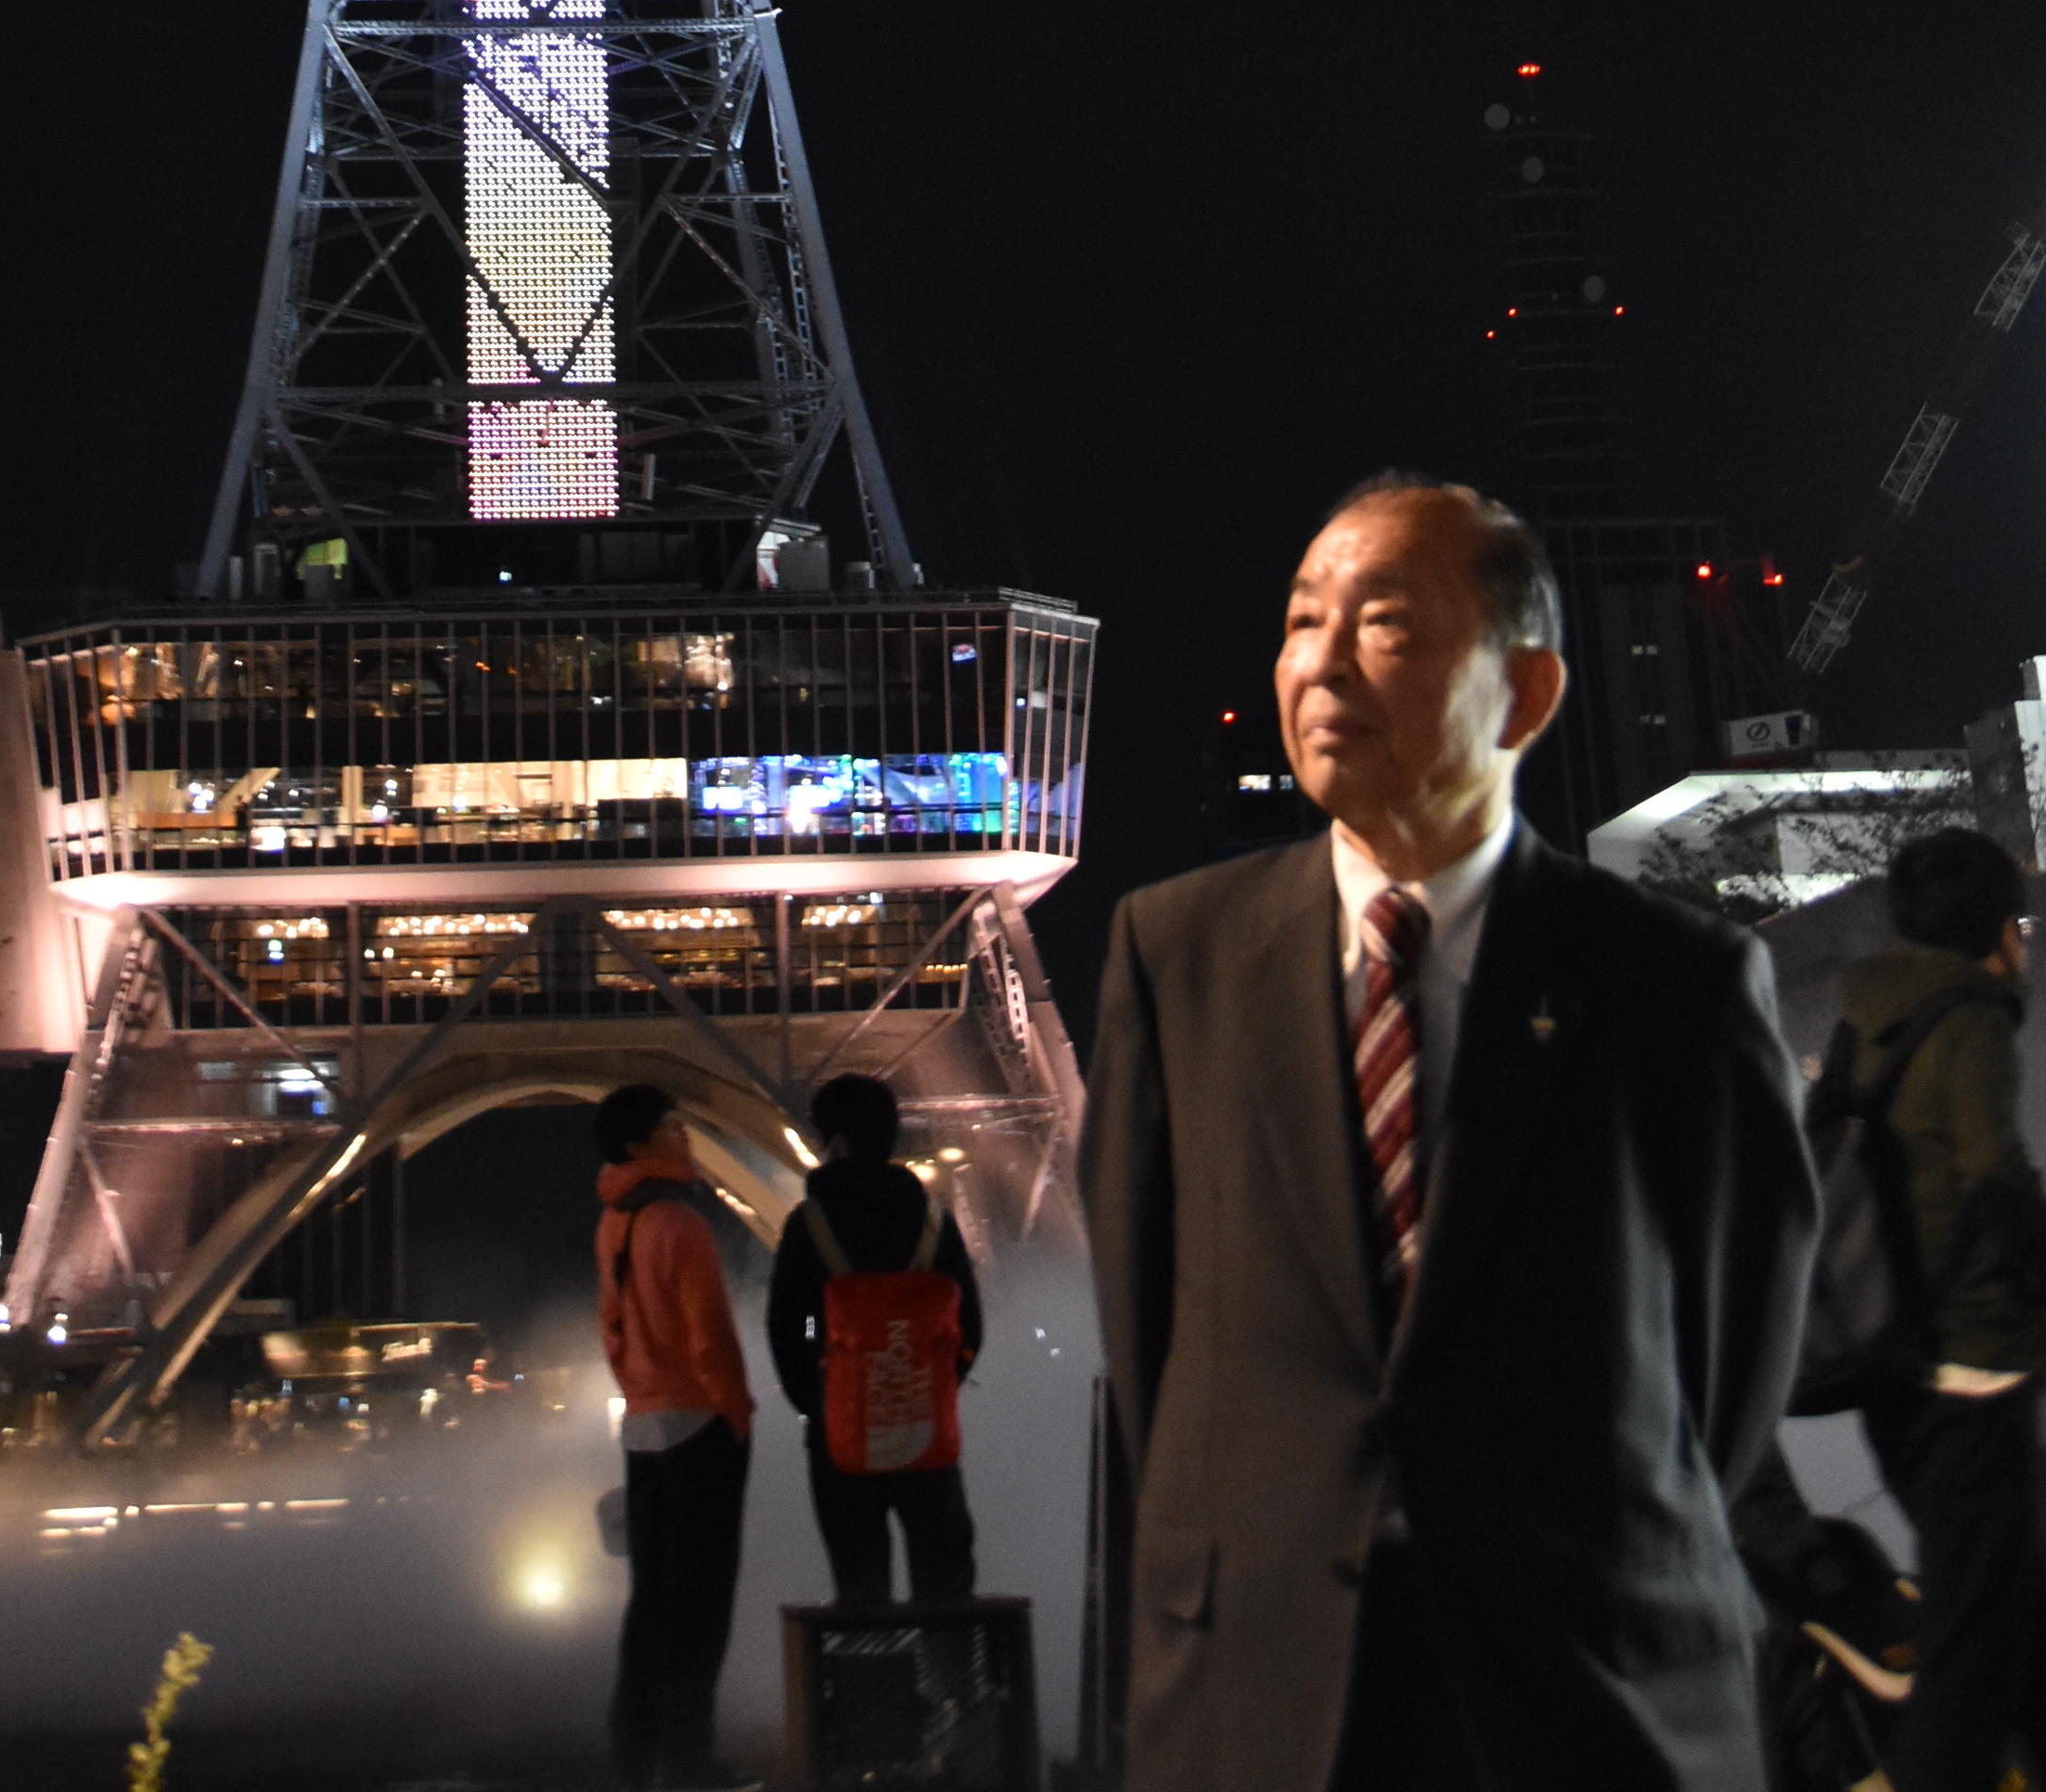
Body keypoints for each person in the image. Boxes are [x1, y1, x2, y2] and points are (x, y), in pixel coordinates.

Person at [1079, 471, 1817, 1792]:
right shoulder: (1172, 953)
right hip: (1260, 1677)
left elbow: (1734, 1357)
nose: (1321, 665)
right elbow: (1149, 1328)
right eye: (1305, 622)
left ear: (1524, 695)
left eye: (1387, 627)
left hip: (1587, 1675)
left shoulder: (1675, 985)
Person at [1834, 822, 2046, 1788]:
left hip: (1889, 1367)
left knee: (2017, 1611)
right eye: (2022, 919)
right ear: (1997, 928)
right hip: (1973, 1372)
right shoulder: (1971, 1018)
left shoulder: (1861, 1014)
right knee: (1966, 1657)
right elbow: (1993, 1173)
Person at [595, 1079, 758, 1792]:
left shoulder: (615, 1223)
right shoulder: (682, 1224)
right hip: (698, 1425)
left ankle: (635, 1751)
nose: (684, 1134)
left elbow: (613, 1328)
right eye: (670, 1124)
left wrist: (637, 1391)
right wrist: (737, 1413)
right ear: (639, 1142)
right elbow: (712, 1336)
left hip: (644, 1427)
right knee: (702, 1603)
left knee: (652, 1600)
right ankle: (693, 1760)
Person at [766, 1070, 982, 1605]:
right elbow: (968, 1319)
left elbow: (795, 1323)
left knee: (860, 1586)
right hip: (923, 1427)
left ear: (834, 1140)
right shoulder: (932, 1219)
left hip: (840, 1431)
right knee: (945, 1578)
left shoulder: (809, 1224)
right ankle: (950, 1683)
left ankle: (874, 1685)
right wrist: (932, 1377)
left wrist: (820, 1386)